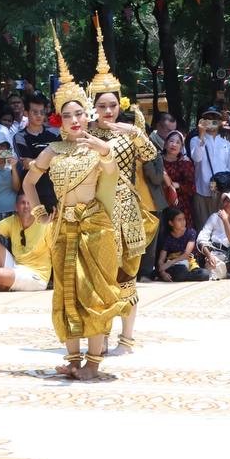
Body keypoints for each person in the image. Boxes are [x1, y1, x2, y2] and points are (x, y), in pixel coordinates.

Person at [22, 25, 125, 380]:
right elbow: (29, 181)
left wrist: (103, 149)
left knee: (94, 291)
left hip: (95, 227)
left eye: (79, 113)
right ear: (59, 119)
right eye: (67, 115)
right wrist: (39, 212)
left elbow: (111, 172)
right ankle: (73, 358)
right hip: (64, 226)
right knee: (66, 290)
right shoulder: (52, 150)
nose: (75, 120)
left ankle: (94, 362)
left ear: (87, 115)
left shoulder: (99, 146)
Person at [86, 20, 159, 353]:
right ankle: (98, 336)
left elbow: (151, 155)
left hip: (126, 210)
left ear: (121, 105)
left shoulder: (130, 132)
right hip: (96, 209)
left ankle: (126, 338)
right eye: (101, 106)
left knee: (126, 273)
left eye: (112, 105)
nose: (107, 111)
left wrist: (132, 131)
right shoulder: (86, 135)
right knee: (97, 274)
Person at [0, 193, 51, 292]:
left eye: (29, 203)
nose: (26, 206)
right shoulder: (12, 221)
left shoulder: (45, 224)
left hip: (37, 275)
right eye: (23, 203)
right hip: (17, 267)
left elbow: (57, 252)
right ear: (16, 207)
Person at [189, 106, 230, 231]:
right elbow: (197, 157)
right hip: (202, 191)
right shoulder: (195, 140)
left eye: (215, 118)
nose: (211, 121)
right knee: (203, 227)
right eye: (208, 118)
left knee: (220, 227)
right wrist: (201, 135)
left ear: (220, 122)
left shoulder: (226, 144)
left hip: (222, 192)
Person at [12, 92, 58, 214]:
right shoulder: (20, 136)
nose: (39, 115)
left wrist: (36, 162)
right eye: (35, 112)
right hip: (32, 193)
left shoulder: (55, 133)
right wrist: (53, 160)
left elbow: (62, 160)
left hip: (55, 191)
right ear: (26, 113)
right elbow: (26, 164)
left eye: (42, 112)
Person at [197, 189, 230, 279]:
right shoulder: (214, 217)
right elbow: (201, 238)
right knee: (214, 272)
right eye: (227, 201)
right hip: (216, 252)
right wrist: (209, 255)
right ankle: (226, 271)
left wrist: (225, 220)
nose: (228, 205)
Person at [156, 206, 209, 282]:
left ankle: (181, 276)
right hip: (175, 266)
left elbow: (186, 254)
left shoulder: (190, 233)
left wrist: (170, 263)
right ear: (171, 223)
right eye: (179, 220)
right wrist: (163, 273)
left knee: (205, 274)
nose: (183, 222)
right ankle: (180, 276)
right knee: (181, 270)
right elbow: (161, 259)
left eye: (184, 219)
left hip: (187, 262)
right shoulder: (167, 237)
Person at [162, 130, 195, 227]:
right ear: (165, 144)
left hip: (180, 204)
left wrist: (178, 185)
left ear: (181, 147)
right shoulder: (157, 160)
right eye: (171, 141)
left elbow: (192, 188)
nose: (174, 144)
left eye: (178, 142)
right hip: (160, 201)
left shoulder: (186, 163)